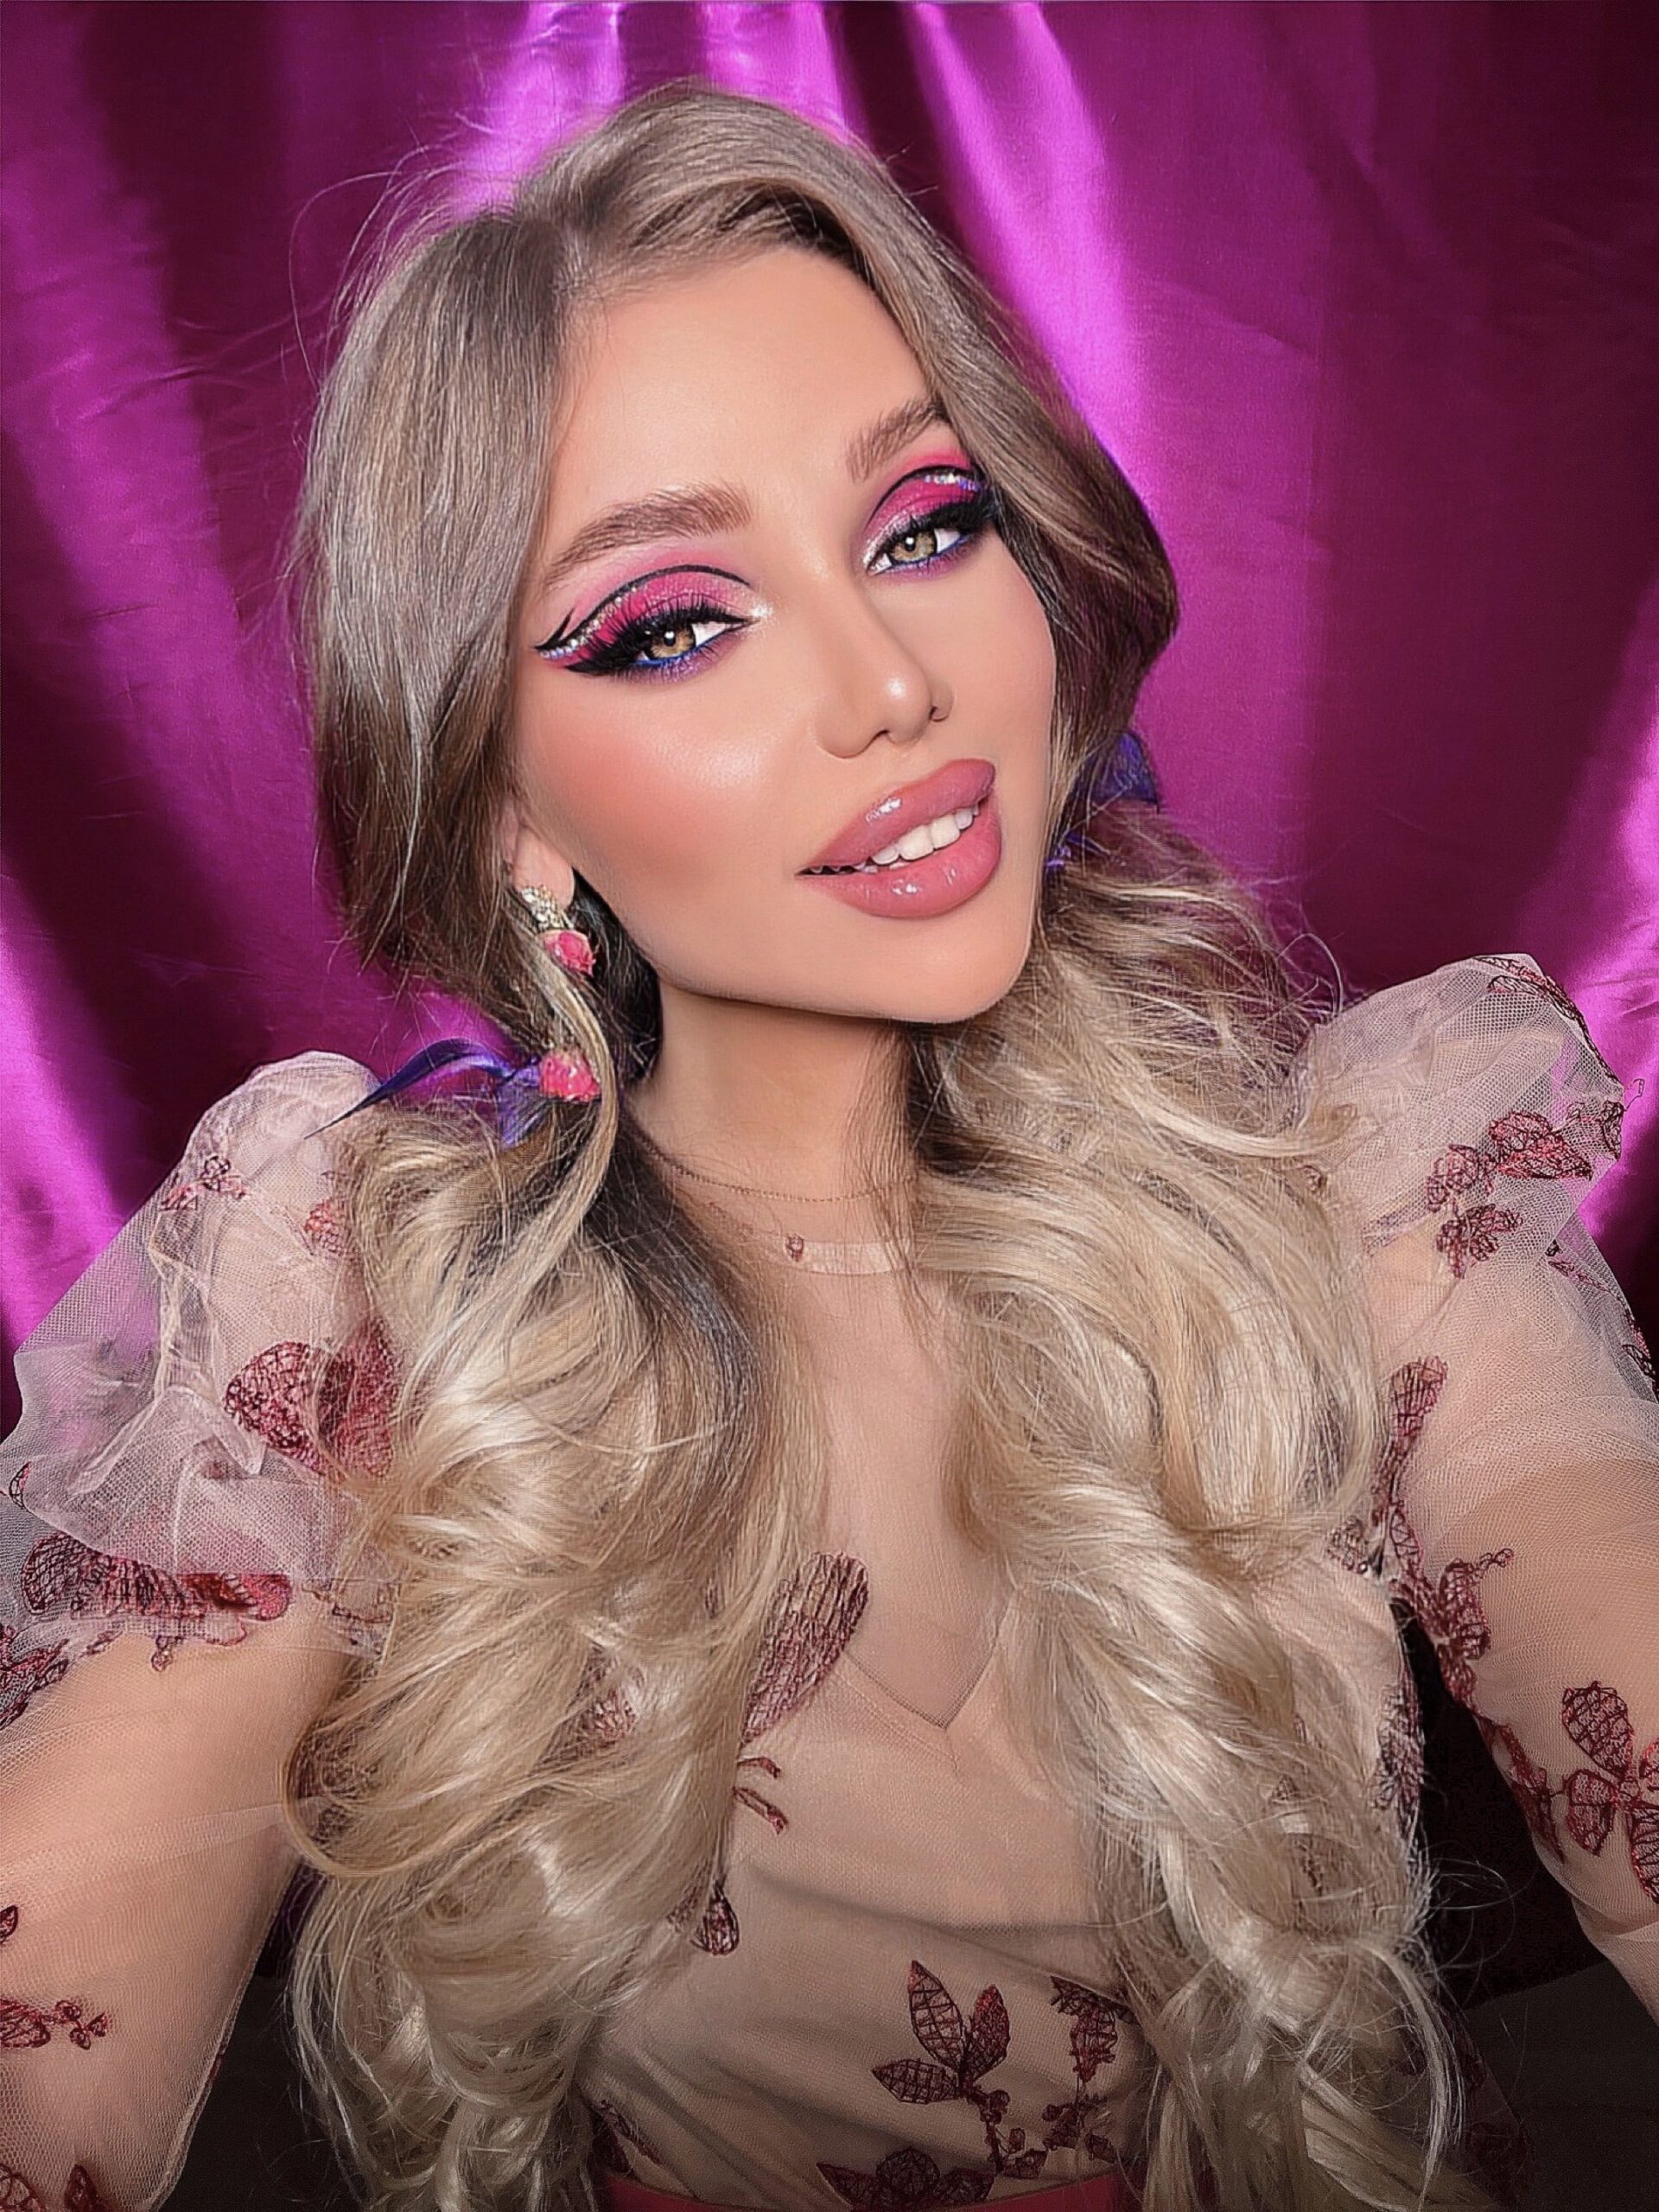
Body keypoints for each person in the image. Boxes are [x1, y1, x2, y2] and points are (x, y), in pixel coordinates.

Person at [1, 78, 1654, 2212]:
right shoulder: (362, 1304)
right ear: (503, 810)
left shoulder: (1361, 1189)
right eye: (675, 621)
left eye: (925, 524)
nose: (889, 683)